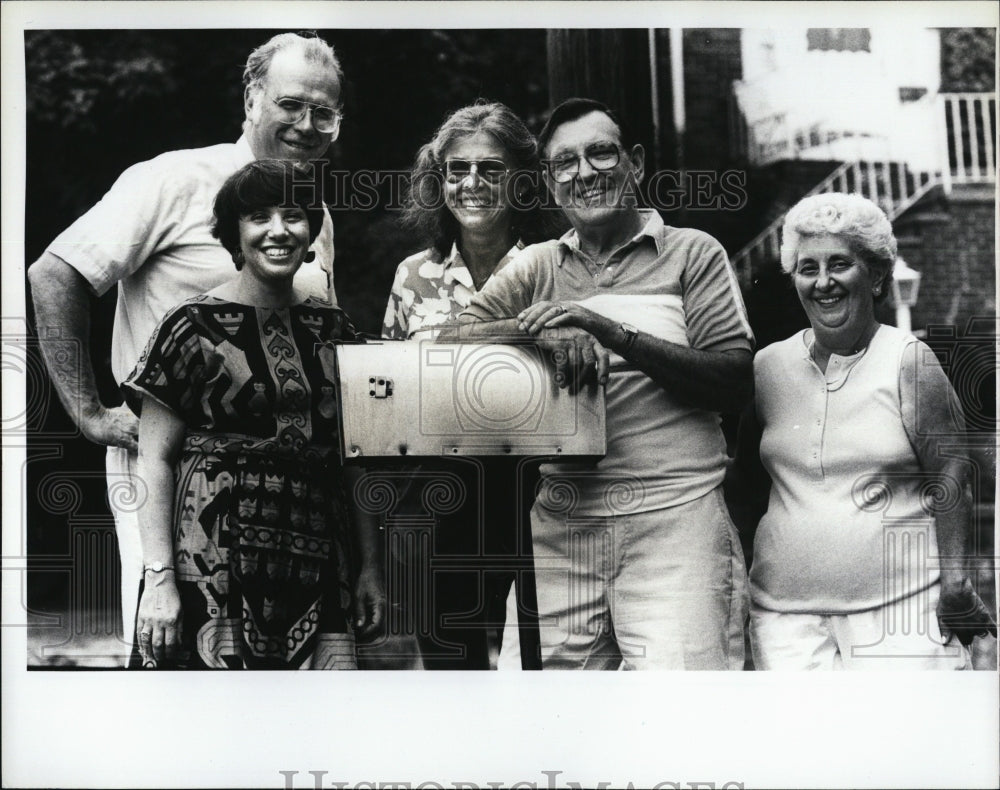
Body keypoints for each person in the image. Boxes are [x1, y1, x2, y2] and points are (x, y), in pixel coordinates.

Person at [27, 32, 345, 663]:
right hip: (170, 468)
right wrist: (88, 413)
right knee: (175, 653)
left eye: (324, 112)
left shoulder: (314, 213)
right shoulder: (174, 179)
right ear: (252, 97)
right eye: (291, 105)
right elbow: (54, 273)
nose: (307, 125)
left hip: (287, 491)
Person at [449, 98, 754, 670]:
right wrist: (535, 331)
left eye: (600, 153)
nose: (584, 173)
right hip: (563, 528)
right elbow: (446, 341)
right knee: (539, 725)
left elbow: (735, 381)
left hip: (675, 521)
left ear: (633, 162)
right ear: (549, 180)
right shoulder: (539, 266)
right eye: (564, 162)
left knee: (681, 725)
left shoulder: (692, 253)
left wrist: (606, 329)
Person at [123, 159, 384, 668]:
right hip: (209, 561)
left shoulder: (336, 332)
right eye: (258, 217)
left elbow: (357, 462)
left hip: (318, 562)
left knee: (310, 732)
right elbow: (154, 458)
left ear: (311, 233)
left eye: (294, 215)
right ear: (233, 234)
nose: (278, 231)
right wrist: (158, 578)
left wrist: (371, 568)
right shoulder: (189, 327)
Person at [733, 192, 996, 670]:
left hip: (901, 614)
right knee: (802, 747)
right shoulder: (768, 366)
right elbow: (745, 483)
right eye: (807, 268)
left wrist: (955, 581)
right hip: (785, 621)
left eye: (840, 264)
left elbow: (952, 470)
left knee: (904, 746)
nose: (823, 282)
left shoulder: (908, 359)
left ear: (876, 276)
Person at [378, 101, 539, 669]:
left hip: (536, 497)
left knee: (537, 666)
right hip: (436, 500)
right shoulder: (413, 276)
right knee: (453, 671)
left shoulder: (553, 266)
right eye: (456, 169)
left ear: (521, 178)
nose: (472, 183)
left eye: (491, 169)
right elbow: (390, 396)